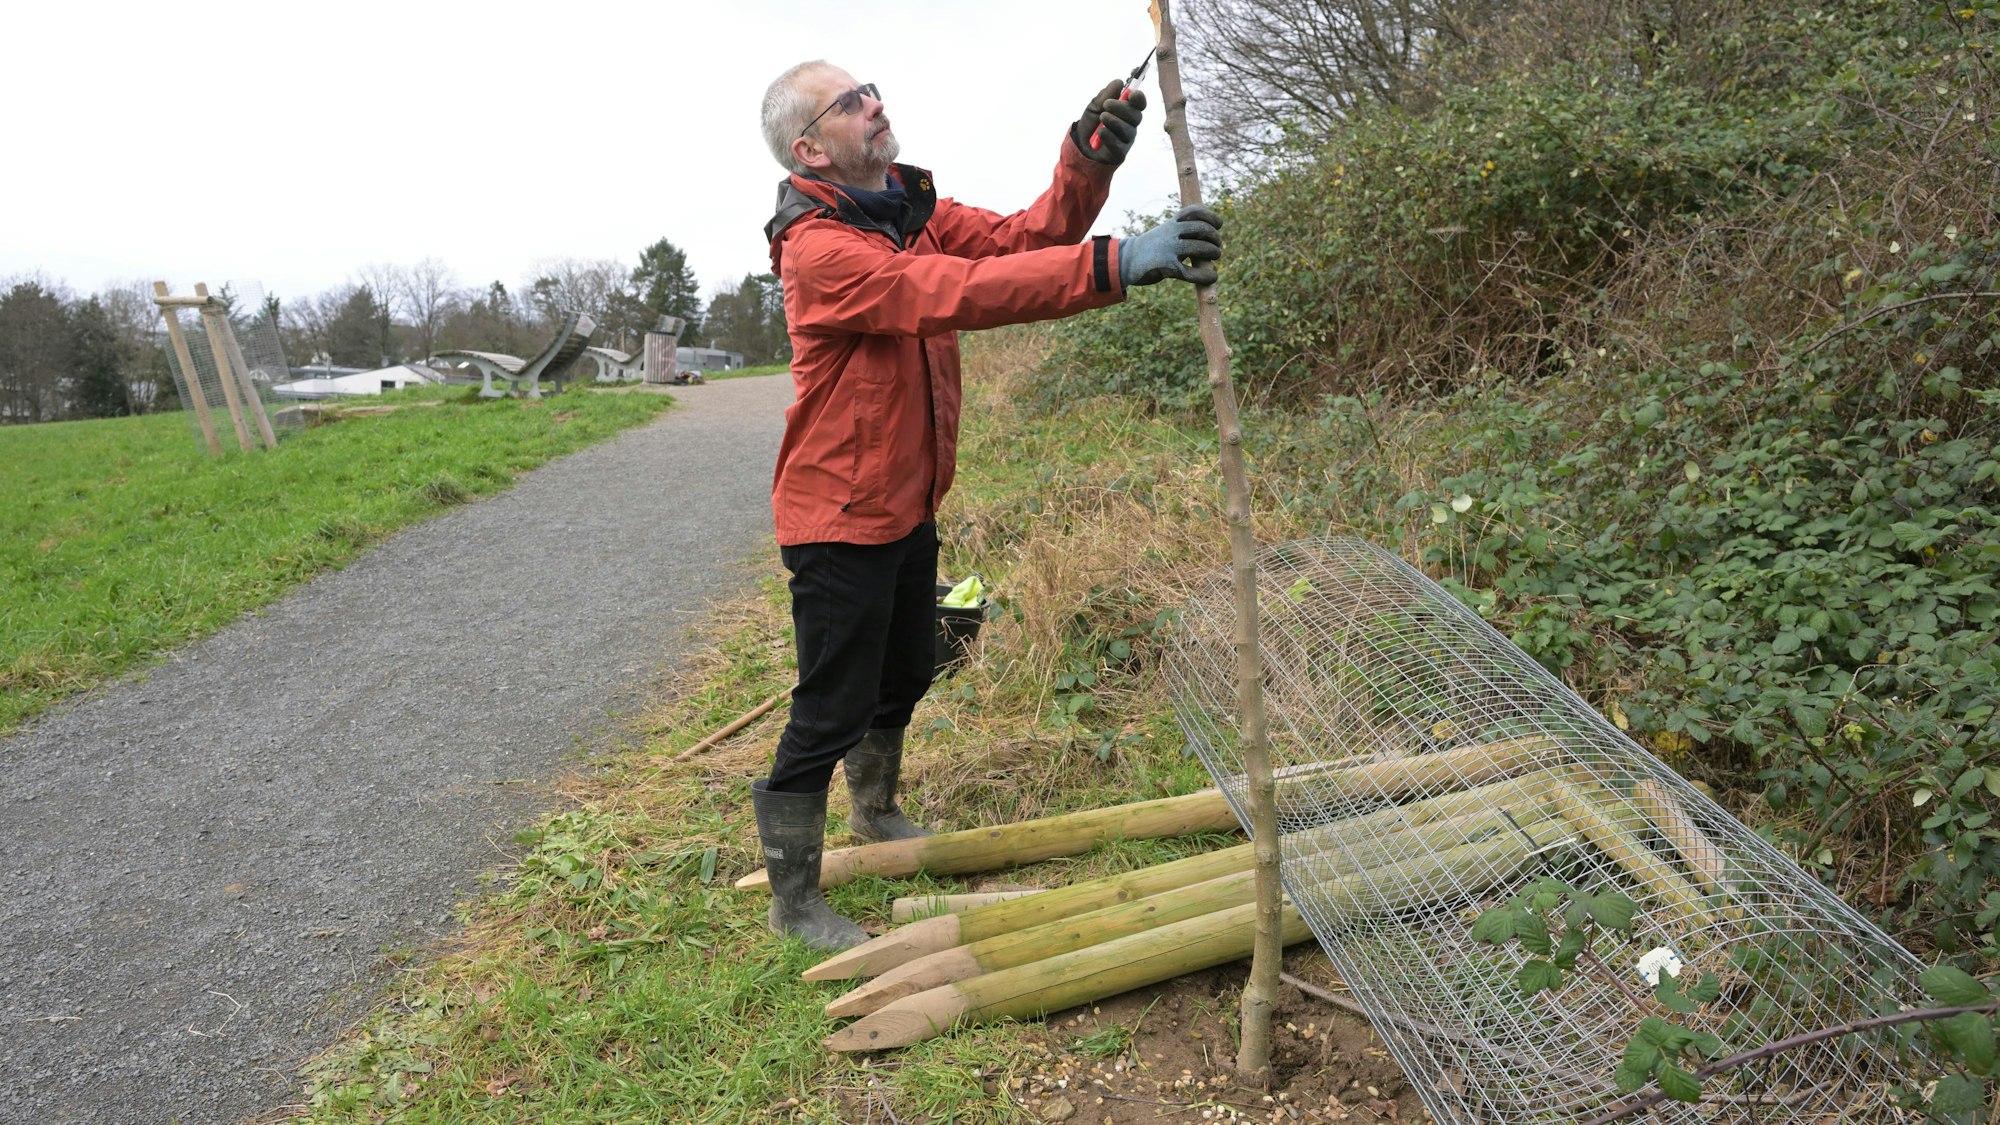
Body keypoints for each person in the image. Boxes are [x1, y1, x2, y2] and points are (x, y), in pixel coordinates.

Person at [752, 59, 1223, 950]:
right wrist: (1118, 263)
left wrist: (1087, 164)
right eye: (850, 103)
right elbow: (957, 296)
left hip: (908, 500)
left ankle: (877, 808)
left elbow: (1020, 241)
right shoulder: (820, 249)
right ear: (809, 147)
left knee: (907, 671)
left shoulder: (905, 210)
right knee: (829, 706)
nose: (875, 106)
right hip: (837, 517)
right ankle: (796, 901)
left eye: (871, 89)